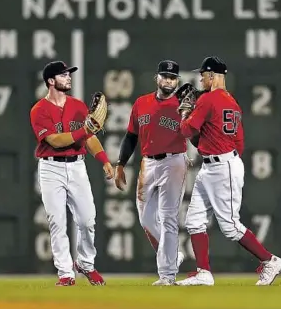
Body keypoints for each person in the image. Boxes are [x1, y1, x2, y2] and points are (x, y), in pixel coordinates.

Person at [175, 56, 281, 286]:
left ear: (213, 76)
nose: (201, 78)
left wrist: (184, 112)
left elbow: (187, 131)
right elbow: (235, 142)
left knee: (230, 226)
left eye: (203, 75)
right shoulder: (232, 102)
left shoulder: (208, 99)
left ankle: (270, 260)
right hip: (217, 162)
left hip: (222, 166)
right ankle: (203, 272)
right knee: (194, 220)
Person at [30, 61, 114, 286]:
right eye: (63, 75)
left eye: (69, 74)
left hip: (77, 165)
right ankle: (65, 273)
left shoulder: (77, 106)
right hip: (51, 167)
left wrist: (104, 160)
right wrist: (85, 129)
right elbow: (55, 141)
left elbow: (90, 137)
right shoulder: (39, 110)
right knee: (57, 222)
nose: (68, 77)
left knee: (88, 220)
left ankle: (86, 264)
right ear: (50, 81)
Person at [113, 60, 188, 286]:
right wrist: (120, 164)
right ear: (157, 78)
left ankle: (167, 275)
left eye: (173, 77)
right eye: (165, 76)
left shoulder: (183, 105)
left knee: (168, 218)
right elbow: (131, 137)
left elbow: (194, 133)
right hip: (148, 163)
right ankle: (173, 254)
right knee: (146, 218)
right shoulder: (141, 103)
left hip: (174, 161)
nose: (168, 80)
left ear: (178, 81)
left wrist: (190, 113)